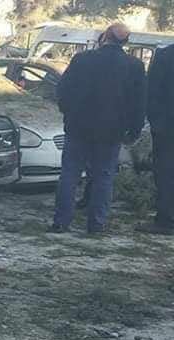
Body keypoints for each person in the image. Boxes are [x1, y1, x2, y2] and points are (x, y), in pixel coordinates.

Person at [50, 23, 147, 235]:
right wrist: (134, 129)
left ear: (104, 37)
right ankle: (96, 224)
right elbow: (138, 102)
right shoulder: (134, 66)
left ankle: (61, 222)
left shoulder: (82, 59)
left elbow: (63, 90)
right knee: (104, 177)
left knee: (70, 175)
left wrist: (68, 112)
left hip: (78, 127)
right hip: (112, 132)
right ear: (125, 42)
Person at [137, 43, 174, 235]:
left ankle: (166, 220)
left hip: (167, 127)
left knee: (166, 173)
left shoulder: (165, 55)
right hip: (166, 125)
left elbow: (151, 91)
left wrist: (155, 121)